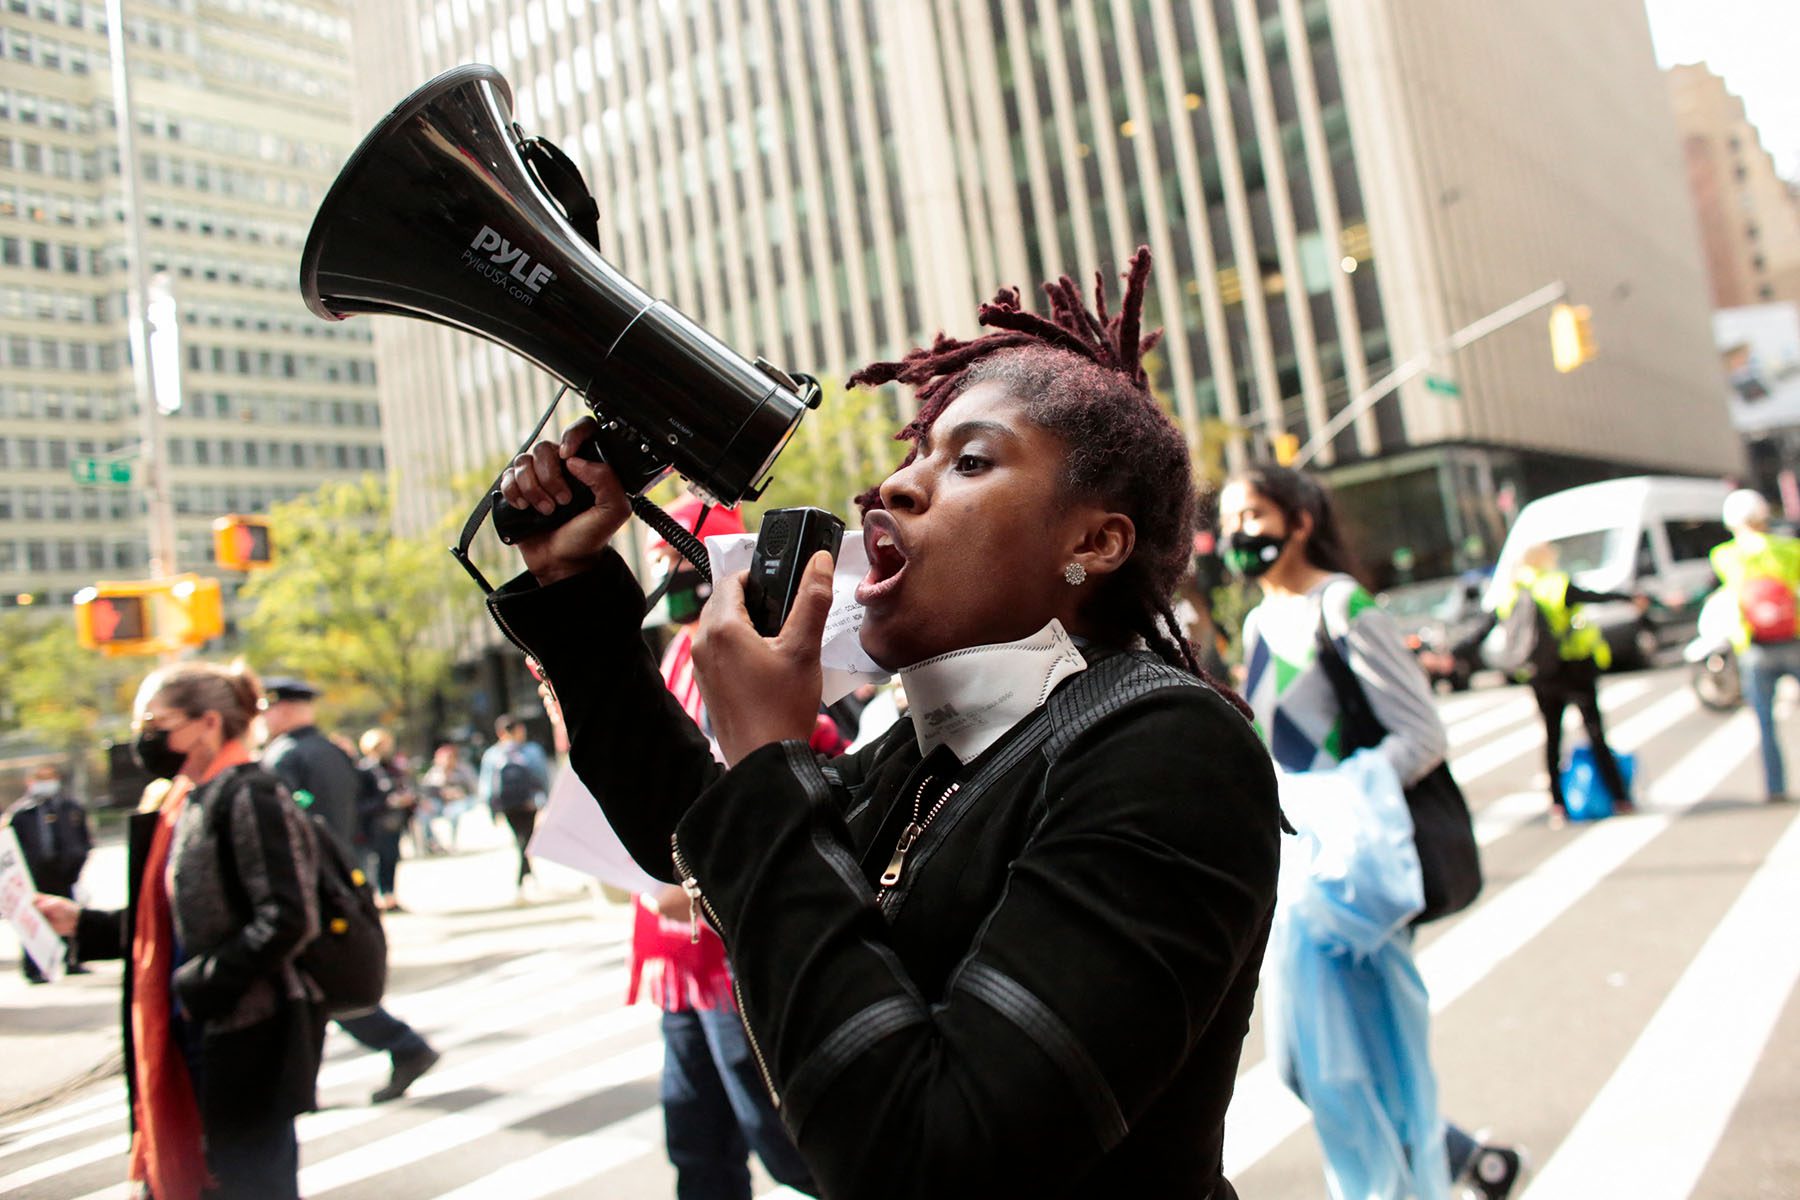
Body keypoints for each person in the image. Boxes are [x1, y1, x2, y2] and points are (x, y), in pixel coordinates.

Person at [490, 248, 1282, 1196]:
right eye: (913, 458)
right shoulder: (925, 749)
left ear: (1094, 542)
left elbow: (931, 1159)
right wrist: (577, 595)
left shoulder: (1165, 751)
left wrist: (772, 759)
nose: (896, 489)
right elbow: (697, 841)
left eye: (971, 461)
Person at [1220, 465, 1524, 1200]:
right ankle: (1457, 1164)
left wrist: (1341, 792)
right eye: (1230, 519)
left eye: (1255, 516)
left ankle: (1413, 1183)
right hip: (1299, 874)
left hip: (1356, 873)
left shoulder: (1343, 605)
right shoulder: (1258, 622)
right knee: (1305, 1065)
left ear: (1298, 521)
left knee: (1379, 1066)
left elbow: (1420, 735)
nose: (1239, 535)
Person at [33, 663, 323, 1200]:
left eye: (156, 723)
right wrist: (86, 927)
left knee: (249, 1185)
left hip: (245, 1040)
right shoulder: (185, 799)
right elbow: (175, 920)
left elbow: (288, 916)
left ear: (208, 722)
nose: (145, 740)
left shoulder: (248, 793)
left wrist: (200, 987)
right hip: (198, 1036)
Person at [625, 495, 817, 1199]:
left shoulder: (755, 640)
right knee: (697, 1137)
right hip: (676, 937)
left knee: (780, 1136)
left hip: (723, 927)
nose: (665, 576)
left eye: (674, 560)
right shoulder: (679, 646)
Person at [259, 677, 440, 1104]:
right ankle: (303, 1082)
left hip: (312, 886)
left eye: (267, 709)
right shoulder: (332, 753)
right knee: (317, 988)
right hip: (344, 878)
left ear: (282, 709)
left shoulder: (283, 757)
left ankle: (405, 1046)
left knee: (320, 985)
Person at [1472, 542, 1643, 825]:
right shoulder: (1555, 584)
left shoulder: (1511, 592)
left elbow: (1483, 628)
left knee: (1552, 738)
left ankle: (1557, 804)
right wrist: (1628, 598)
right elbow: (1595, 596)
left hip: (1540, 675)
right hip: (1574, 668)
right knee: (1594, 732)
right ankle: (1619, 797)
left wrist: (1449, 653)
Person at [1710, 488, 1800, 802]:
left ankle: (1775, 787)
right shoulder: (1789, 549)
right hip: (1793, 638)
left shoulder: (1724, 555)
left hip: (1753, 645)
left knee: (1764, 721)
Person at [5, 764, 91, 982]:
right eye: (40, 779)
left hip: (65, 871)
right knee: (35, 919)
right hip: (35, 875)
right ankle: (33, 968)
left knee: (68, 914)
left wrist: (77, 860)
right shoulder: (21, 813)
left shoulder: (69, 807)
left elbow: (83, 838)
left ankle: (72, 960)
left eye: (49, 778)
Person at [478, 714, 551, 898]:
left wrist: (492, 810)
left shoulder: (492, 754)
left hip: (508, 805)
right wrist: (545, 801)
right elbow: (542, 777)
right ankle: (524, 879)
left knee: (522, 841)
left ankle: (526, 879)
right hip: (529, 803)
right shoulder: (532, 751)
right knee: (525, 841)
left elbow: (486, 786)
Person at [356, 728, 414, 912]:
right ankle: (379, 897)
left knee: (392, 859)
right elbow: (361, 801)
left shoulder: (393, 769)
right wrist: (386, 802)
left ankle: (390, 896)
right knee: (377, 862)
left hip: (395, 821)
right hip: (376, 824)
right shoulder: (364, 770)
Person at [417, 742, 477, 852]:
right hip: (440, 802)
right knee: (423, 814)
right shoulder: (435, 772)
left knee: (453, 813)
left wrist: (459, 794)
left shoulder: (464, 770)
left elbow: (474, 789)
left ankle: (452, 844)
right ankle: (432, 844)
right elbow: (427, 791)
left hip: (461, 801)